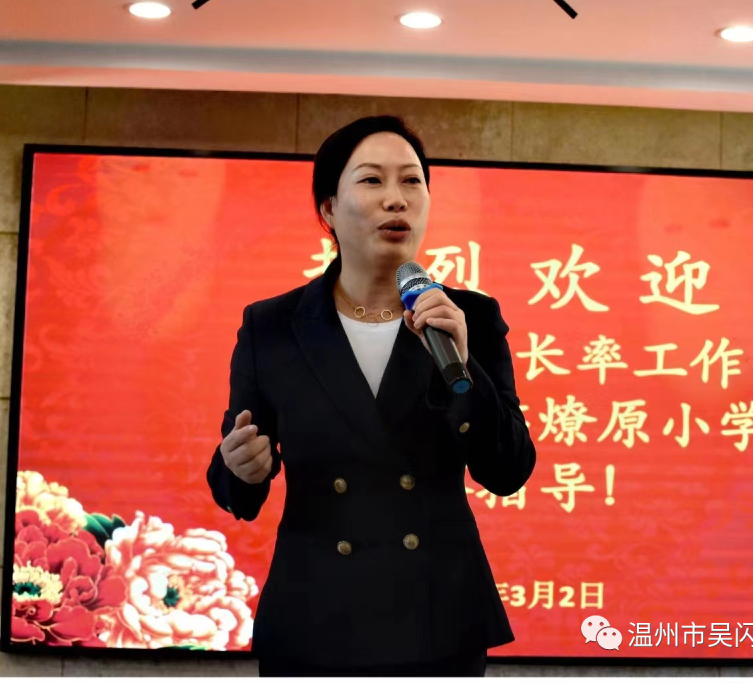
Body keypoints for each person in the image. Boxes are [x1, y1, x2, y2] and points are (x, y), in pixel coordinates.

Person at [206, 115, 537, 676]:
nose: (396, 199)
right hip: (316, 614)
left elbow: (509, 470)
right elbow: (235, 483)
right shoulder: (274, 325)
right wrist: (241, 467)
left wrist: (465, 367)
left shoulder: (469, 318)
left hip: (435, 615)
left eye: (411, 181)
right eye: (371, 180)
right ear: (329, 209)